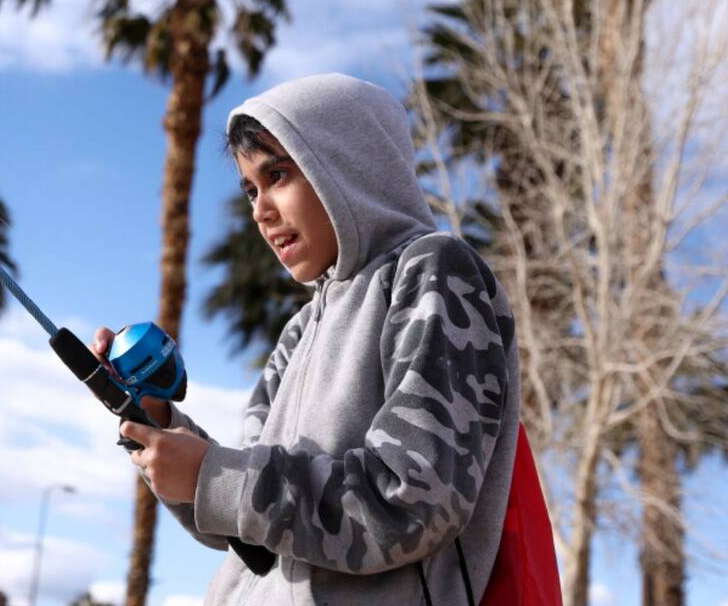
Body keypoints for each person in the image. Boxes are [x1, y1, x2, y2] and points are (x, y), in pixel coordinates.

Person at [94, 73, 520, 604]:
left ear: (348, 164)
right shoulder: (298, 330)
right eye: (250, 188)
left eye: (277, 175)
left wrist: (214, 476)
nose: (259, 210)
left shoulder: (432, 270)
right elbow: (244, 527)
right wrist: (155, 420)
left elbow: (411, 502)